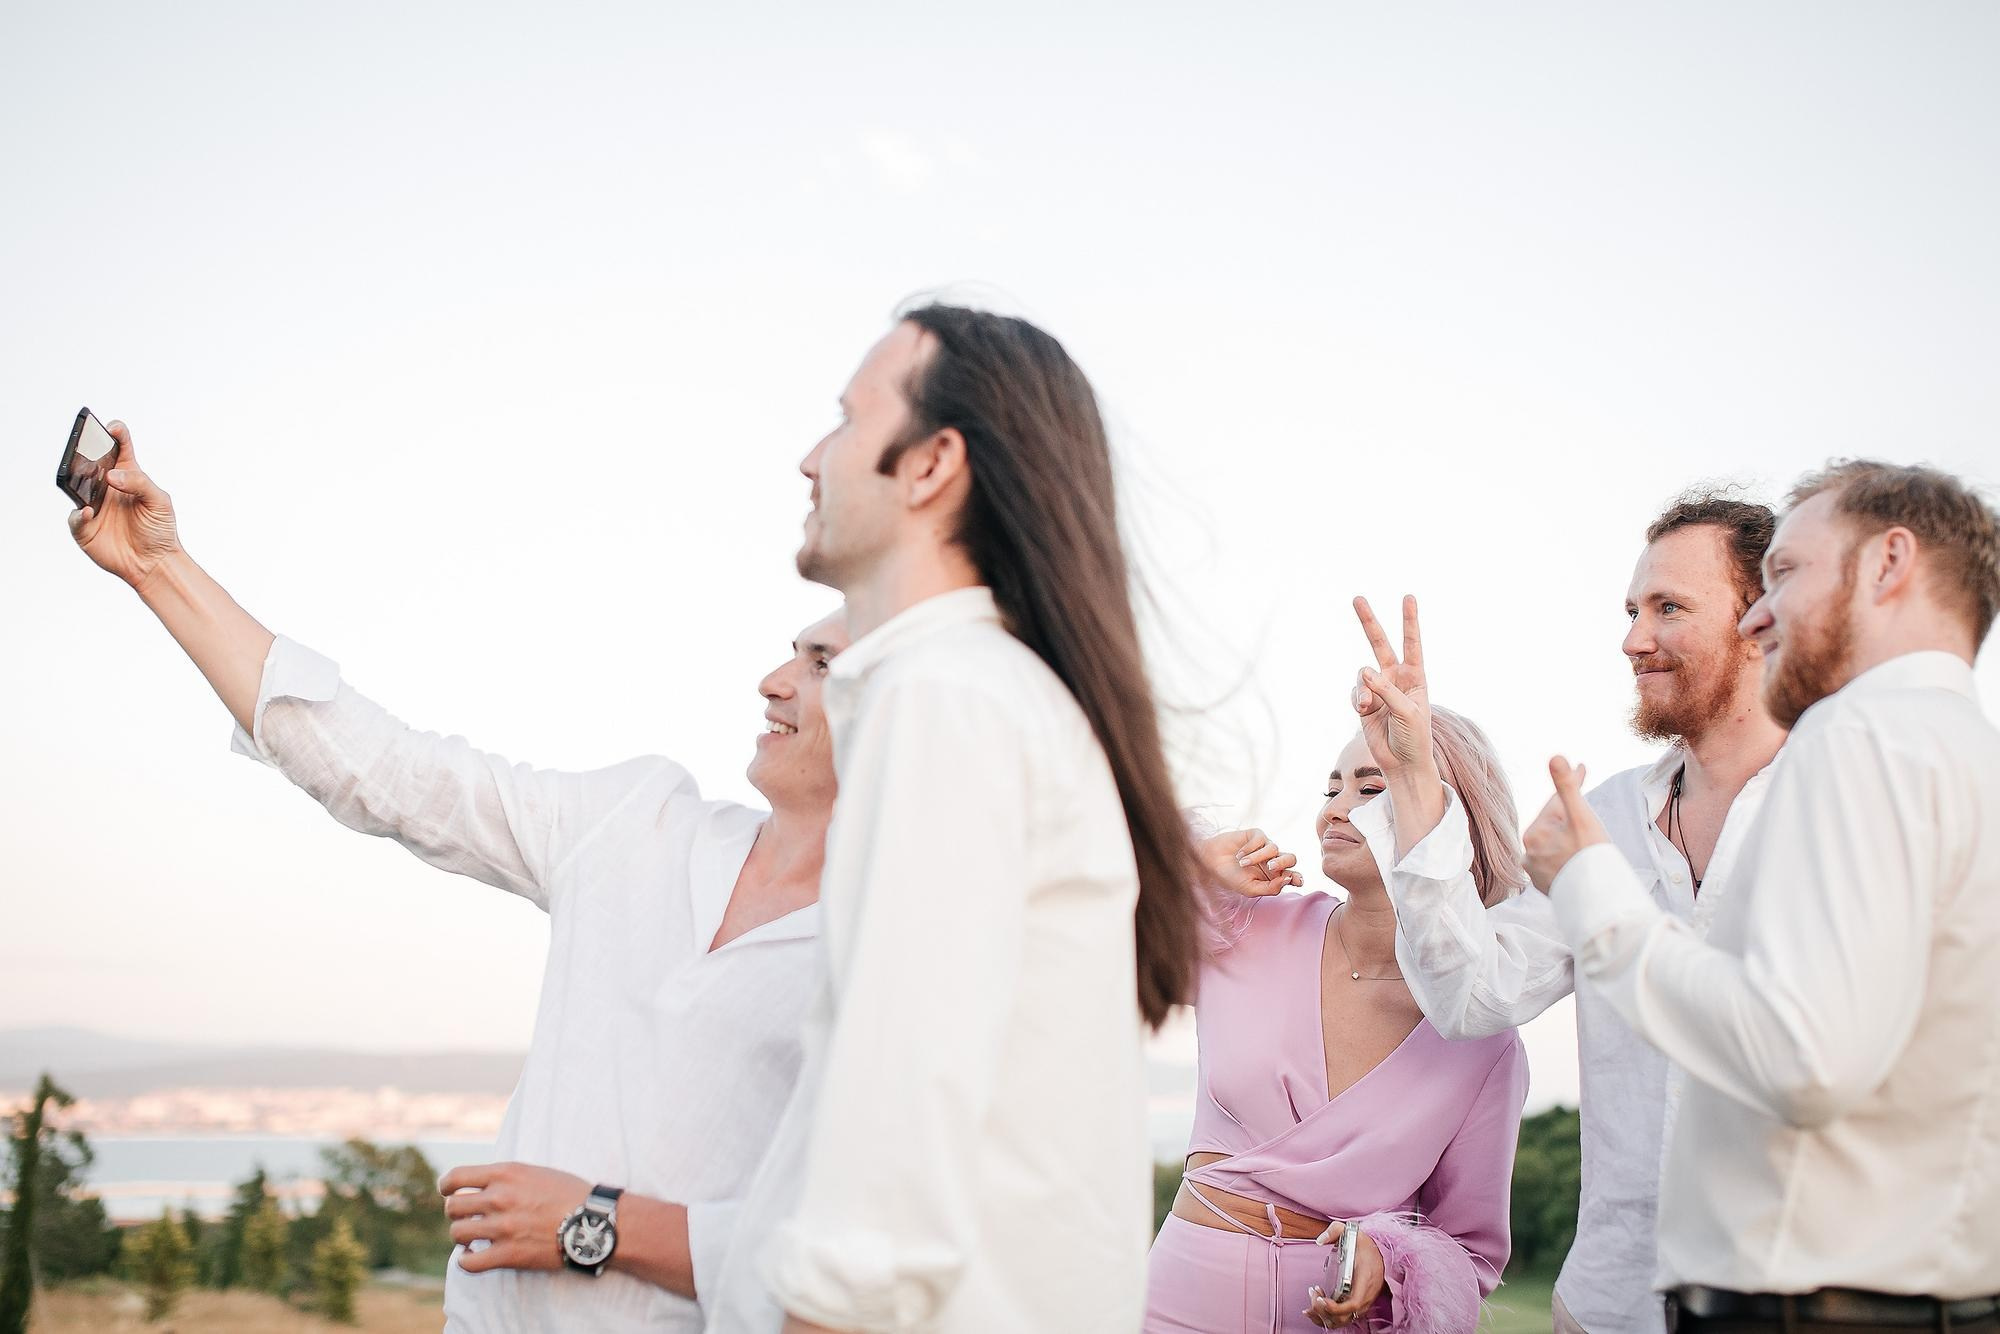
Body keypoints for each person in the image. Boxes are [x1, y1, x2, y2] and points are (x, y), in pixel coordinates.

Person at [65, 421, 848, 1333]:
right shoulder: (641, 819)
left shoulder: (905, 945)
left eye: (820, 663)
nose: (772, 681)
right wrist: (159, 568)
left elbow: (856, 1260)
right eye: (792, 651)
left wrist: (594, 1225)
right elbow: (389, 774)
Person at [705, 304, 1204, 1333]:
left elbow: (893, 1132)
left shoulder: (946, 699)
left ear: (930, 464)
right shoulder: (971, 695)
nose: (808, 458)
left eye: (843, 420)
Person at [1524, 461, 2000, 1331]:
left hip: (1801, 1308)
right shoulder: (1973, 758)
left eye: (1785, 574)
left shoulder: (1854, 735)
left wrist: (1590, 886)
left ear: (1890, 563)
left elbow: (1802, 1058)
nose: (1759, 612)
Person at [1355, 496, 1784, 1333]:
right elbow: (1469, 995)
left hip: (1794, 1301)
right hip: (1612, 1302)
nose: (1632, 639)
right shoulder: (1601, 819)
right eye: (1631, 610)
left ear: (1762, 618)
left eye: (1668, 608)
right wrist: (1411, 778)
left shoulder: (1844, 800)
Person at [1145, 600, 1528, 1334]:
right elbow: (1090, 908)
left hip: (1338, 1320)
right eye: (1333, 786)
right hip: (1182, 1297)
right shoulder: (1244, 928)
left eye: (1374, 788)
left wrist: (1388, 1258)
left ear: (1453, 823)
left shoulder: (1484, 1037)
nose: (1337, 809)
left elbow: (1470, 1252)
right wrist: (1188, 863)